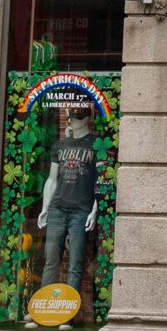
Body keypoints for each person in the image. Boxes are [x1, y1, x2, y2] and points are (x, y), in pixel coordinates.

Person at [36, 106, 97, 304]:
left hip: (81, 211)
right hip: (57, 209)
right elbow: (52, 179)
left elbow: (101, 182)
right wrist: (45, 208)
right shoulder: (60, 145)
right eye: (71, 116)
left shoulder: (96, 144)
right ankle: (43, 306)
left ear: (88, 118)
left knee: (75, 263)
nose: (73, 120)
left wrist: (94, 210)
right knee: (51, 261)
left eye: (78, 116)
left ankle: (68, 312)